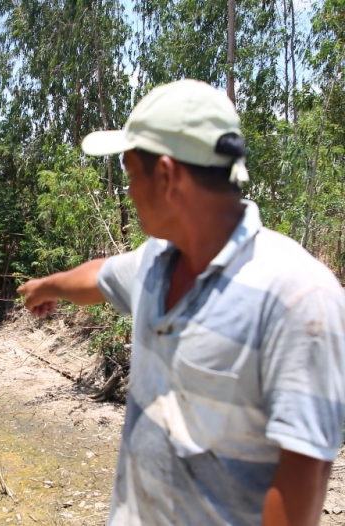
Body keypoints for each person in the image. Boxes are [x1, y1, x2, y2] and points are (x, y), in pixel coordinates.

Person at [17, 79, 345, 526]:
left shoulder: (299, 299)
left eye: (132, 174)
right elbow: (99, 275)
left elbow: (303, 475)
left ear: (168, 176)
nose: (127, 191)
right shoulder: (156, 261)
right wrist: (47, 286)